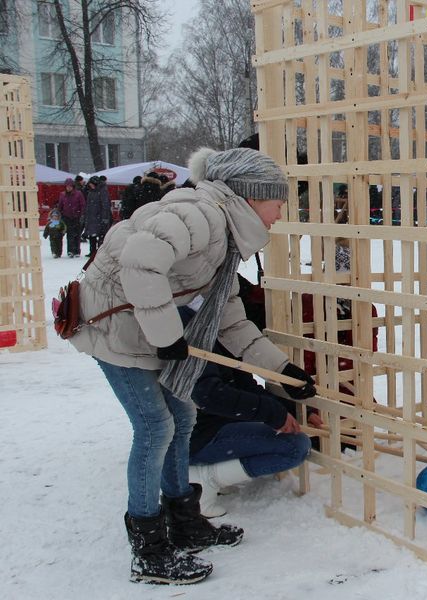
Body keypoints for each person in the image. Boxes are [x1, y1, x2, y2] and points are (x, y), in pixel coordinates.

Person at [66, 146, 318, 585]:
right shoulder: (200, 214)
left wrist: (283, 371)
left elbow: (230, 320)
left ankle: (183, 520)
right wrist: (168, 336)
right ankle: (148, 549)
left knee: (182, 418)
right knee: (155, 428)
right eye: (277, 202)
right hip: (112, 331)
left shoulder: (224, 238)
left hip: (144, 328)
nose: (280, 213)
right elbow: (141, 259)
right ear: (252, 196)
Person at [180, 304, 316, 518]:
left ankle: (213, 467)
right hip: (194, 435)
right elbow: (208, 395)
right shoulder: (186, 323)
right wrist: (273, 414)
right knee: (295, 447)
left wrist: (297, 412)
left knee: (284, 436)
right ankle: (205, 478)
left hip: (215, 425)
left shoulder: (217, 324)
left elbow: (245, 385)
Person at [83, 176, 112, 257]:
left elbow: (105, 205)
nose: (90, 185)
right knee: (92, 235)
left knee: (100, 235)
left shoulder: (102, 191)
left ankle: (99, 251)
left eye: (91, 184)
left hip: (99, 216)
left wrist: (105, 217)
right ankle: (92, 251)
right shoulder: (91, 191)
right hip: (92, 216)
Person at [57, 178, 85, 258]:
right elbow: (60, 205)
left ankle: (77, 251)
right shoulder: (62, 195)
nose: (68, 188)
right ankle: (70, 251)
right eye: (67, 186)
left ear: (73, 186)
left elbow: (82, 205)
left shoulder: (78, 194)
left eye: (70, 186)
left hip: (77, 217)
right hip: (67, 217)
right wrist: (59, 214)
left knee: (77, 234)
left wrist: (82, 214)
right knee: (70, 234)